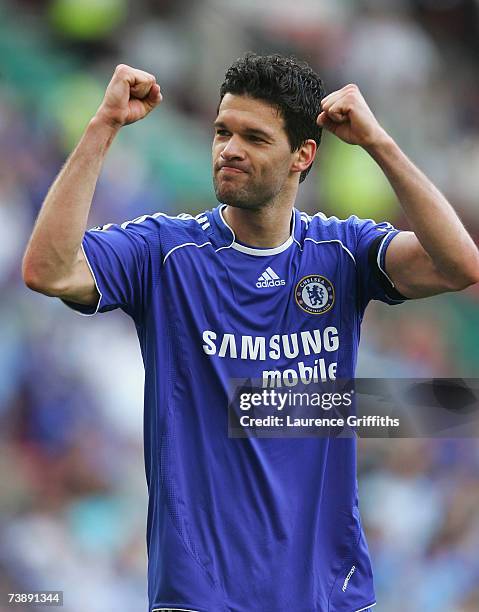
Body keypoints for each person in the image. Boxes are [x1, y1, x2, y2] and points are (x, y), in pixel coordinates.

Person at [22, 53, 479, 612]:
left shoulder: (342, 251)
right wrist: (103, 126)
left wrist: (380, 144)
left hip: (330, 595)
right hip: (200, 597)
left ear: (301, 155)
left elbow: (459, 266)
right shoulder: (166, 253)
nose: (229, 149)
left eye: (254, 138)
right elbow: (48, 270)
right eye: (222, 131)